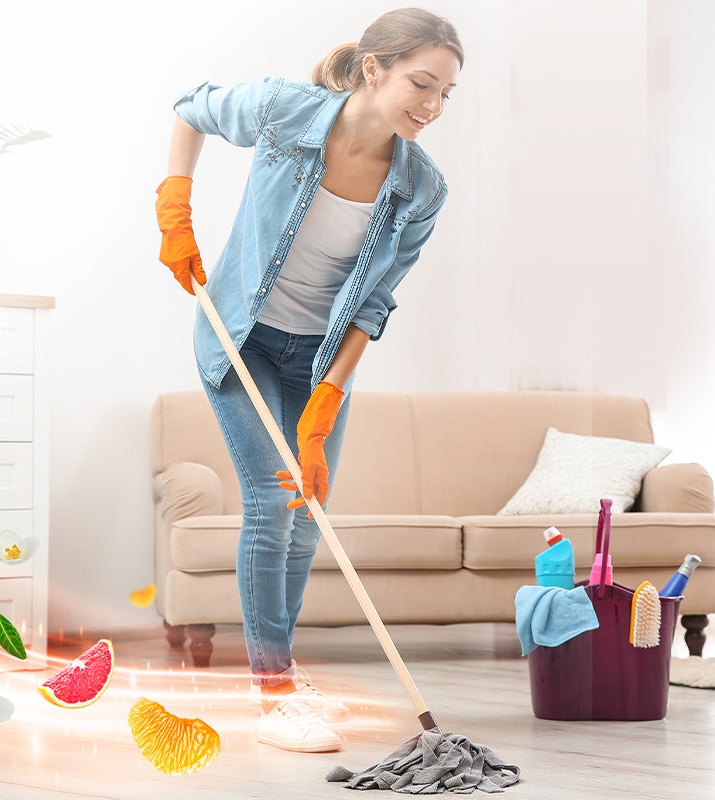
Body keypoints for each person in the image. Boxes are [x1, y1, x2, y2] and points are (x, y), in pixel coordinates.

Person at [154, 8, 463, 754]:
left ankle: (279, 677)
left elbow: (375, 302)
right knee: (271, 499)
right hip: (242, 337)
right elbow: (189, 109)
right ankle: (273, 694)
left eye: (448, 93)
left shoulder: (422, 189)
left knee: (304, 513)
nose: (433, 105)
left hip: (321, 359)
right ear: (373, 70)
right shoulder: (283, 110)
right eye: (422, 83)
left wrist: (328, 400)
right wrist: (175, 208)